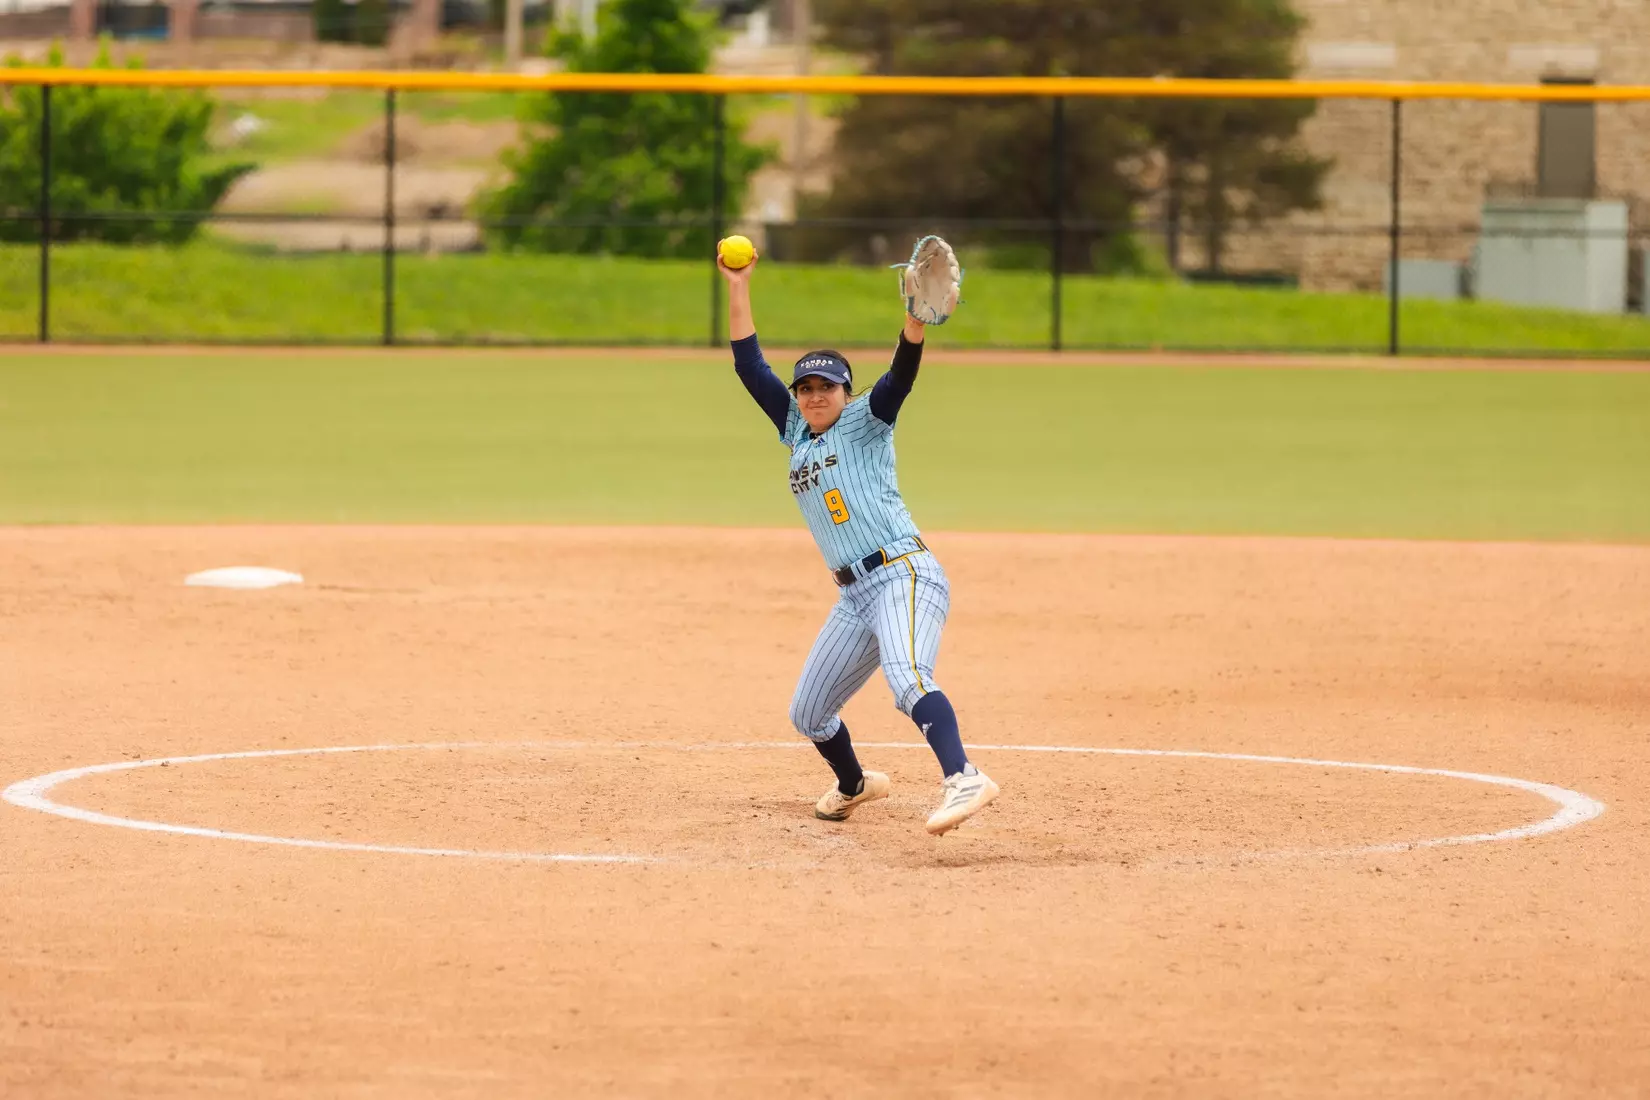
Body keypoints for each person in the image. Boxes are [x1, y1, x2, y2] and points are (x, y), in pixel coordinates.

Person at [718, 245, 999, 836]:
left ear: (847, 391)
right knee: (809, 712)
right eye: (806, 387)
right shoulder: (795, 429)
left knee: (909, 677)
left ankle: (964, 776)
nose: (815, 395)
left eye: (827, 386)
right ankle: (854, 785)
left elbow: (900, 377)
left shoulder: (868, 420)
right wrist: (738, 284)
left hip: (903, 573)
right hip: (854, 596)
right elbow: (749, 367)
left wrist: (914, 325)